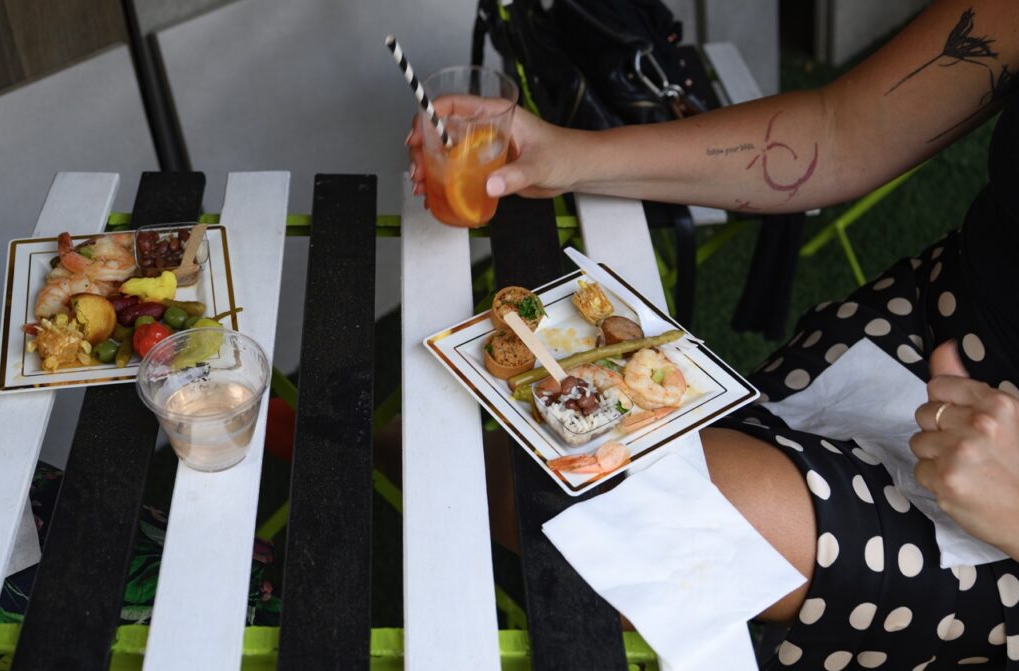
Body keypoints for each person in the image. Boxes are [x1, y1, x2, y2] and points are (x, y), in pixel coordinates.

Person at [409, 0, 1019, 667]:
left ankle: (394, 455)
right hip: (921, 321)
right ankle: (402, 456)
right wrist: (566, 154)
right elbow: (843, 129)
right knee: (577, 466)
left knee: (628, 514)